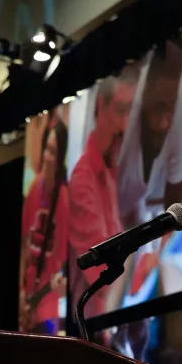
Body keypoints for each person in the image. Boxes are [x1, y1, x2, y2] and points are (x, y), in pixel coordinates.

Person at [68, 72, 136, 321]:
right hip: (94, 333)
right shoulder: (83, 180)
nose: (125, 125)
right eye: (120, 111)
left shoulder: (108, 168)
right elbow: (105, 276)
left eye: (130, 112)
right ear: (100, 107)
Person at [19, 119, 70, 334]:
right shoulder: (34, 189)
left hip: (47, 303)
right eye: (47, 150)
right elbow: (23, 245)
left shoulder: (64, 200)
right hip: (26, 297)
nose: (49, 157)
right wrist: (21, 291)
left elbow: (63, 262)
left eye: (54, 152)